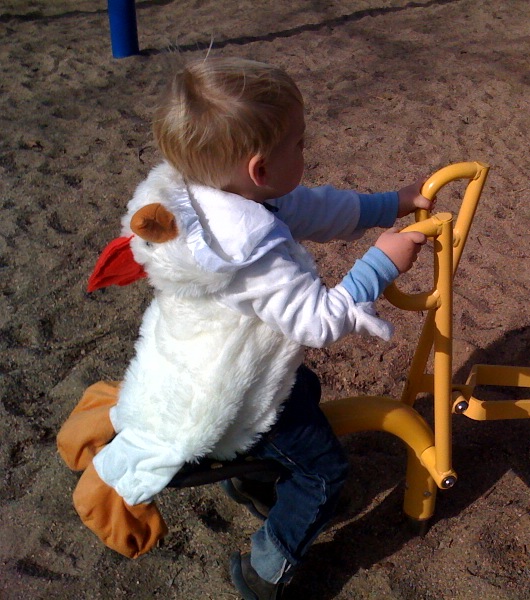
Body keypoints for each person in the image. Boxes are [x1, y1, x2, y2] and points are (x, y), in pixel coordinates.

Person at [90, 56, 433, 600]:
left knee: (305, 389)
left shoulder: (215, 198)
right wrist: (379, 264)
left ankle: (252, 480)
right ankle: (266, 572)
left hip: (214, 362)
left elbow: (308, 207)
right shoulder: (246, 253)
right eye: (299, 144)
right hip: (232, 393)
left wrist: (389, 204)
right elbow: (316, 321)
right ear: (259, 170)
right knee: (322, 473)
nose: (305, 151)